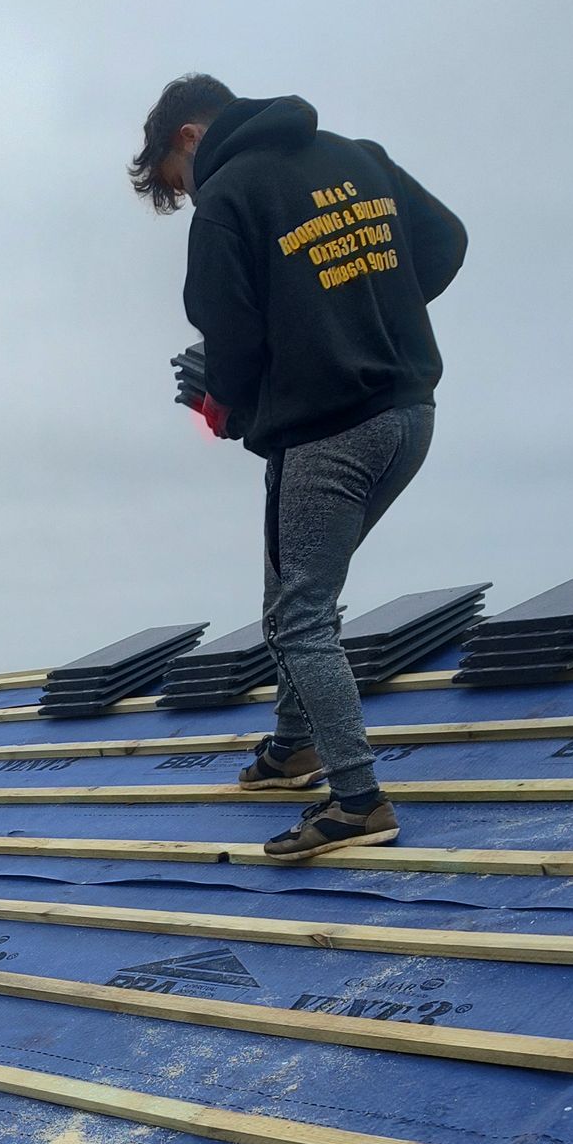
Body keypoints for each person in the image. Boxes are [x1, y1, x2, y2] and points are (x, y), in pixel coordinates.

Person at [130, 78, 467, 860]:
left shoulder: (228, 196)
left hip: (329, 433)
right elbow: (444, 243)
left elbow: (232, 336)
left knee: (299, 616)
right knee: (291, 588)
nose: (188, 197)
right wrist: (364, 316)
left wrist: (229, 402)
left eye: (177, 184)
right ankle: (293, 746)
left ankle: (357, 800)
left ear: (187, 137)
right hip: (408, 416)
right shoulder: (356, 159)